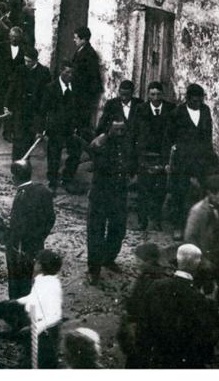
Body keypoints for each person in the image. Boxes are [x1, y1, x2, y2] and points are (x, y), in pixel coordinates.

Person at [86, 80, 141, 285]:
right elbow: (91, 151)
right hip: (100, 193)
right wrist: (97, 143)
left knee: (118, 229)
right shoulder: (100, 144)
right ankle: (94, 268)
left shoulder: (127, 145)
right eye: (116, 130)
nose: (119, 133)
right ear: (110, 128)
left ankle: (109, 258)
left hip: (119, 192)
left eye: (122, 131)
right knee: (96, 230)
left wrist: (131, 174)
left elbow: (131, 162)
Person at [135, 244, 219, 368]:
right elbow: (207, 336)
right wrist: (212, 304)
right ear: (197, 264)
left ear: (177, 260)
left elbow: (143, 323)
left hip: (156, 356)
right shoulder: (200, 299)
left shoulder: (156, 286)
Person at [166, 83, 218, 238]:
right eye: (194, 101)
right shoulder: (177, 113)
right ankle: (178, 226)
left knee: (203, 192)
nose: (197, 104)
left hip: (202, 158)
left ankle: (201, 227)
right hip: (182, 159)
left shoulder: (206, 111)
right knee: (180, 193)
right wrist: (169, 160)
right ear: (187, 99)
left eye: (199, 101)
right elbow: (169, 137)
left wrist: (210, 157)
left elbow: (208, 135)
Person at [185, 176, 219, 316]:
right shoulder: (198, 211)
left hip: (217, 252)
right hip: (202, 254)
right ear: (210, 194)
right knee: (198, 287)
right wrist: (202, 260)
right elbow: (189, 238)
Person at [6, 160, 56, 298]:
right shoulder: (43, 190)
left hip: (21, 248)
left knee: (18, 281)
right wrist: (40, 236)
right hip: (37, 243)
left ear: (14, 178)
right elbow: (51, 218)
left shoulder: (21, 196)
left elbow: (18, 227)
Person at [118, 242, 169, 368]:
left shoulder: (148, 280)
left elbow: (137, 305)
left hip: (142, 330)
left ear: (148, 261)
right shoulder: (159, 275)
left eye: (138, 260)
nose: (136, 263)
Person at [133, 82, 173, 233]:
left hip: (162, 155)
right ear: (148, 95)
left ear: (162, 95)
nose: (155, 98)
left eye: (158, 94)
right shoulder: (141, 110)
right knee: (143, 188)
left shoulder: (170, 109)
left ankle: (156, 219)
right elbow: (134, 132)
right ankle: (142, 220)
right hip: (145, 155)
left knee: (160, 189)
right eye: (152, 94)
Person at [18, 248, 64, 369]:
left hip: (45, 331)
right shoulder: (43, 281)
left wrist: (35, 328)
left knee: (41, 360)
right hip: (40, 326)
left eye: (36, 261)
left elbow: (54, 316)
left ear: (39, 266)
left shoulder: (47, 286)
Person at [42, 61, 82, 191]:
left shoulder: (76, 88)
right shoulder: (50, 88)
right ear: (61, 72)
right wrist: (42, 128)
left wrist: (77, 125)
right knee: (54, 154)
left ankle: (67, 179)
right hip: (55, 127)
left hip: (71, 127)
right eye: (67, 72)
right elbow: (43, 110)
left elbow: (79, 108)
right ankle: (52, 181)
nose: (70, 75)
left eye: (72, 73)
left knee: (75, 152)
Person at [5, 47, 50, 161]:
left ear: (35, 60)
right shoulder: (20, 69)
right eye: (25, 60)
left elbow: (46, 95)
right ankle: (15, 164)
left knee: (28, 139)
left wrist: (43, 114)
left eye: (29, 61)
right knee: (17, 138)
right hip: (20, 109)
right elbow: (12, 88)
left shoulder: (44, 72)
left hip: (34, 111)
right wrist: (7, 105)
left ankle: (24, 163)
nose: (26, 63)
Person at [71, 27, 103, 131]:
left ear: (84, 39)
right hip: (78, 92)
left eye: (76, 38)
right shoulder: (80, 51)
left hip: (84, 94)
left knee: (82, 122)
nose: (74, 40)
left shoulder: (89, 54)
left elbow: (91, 76)